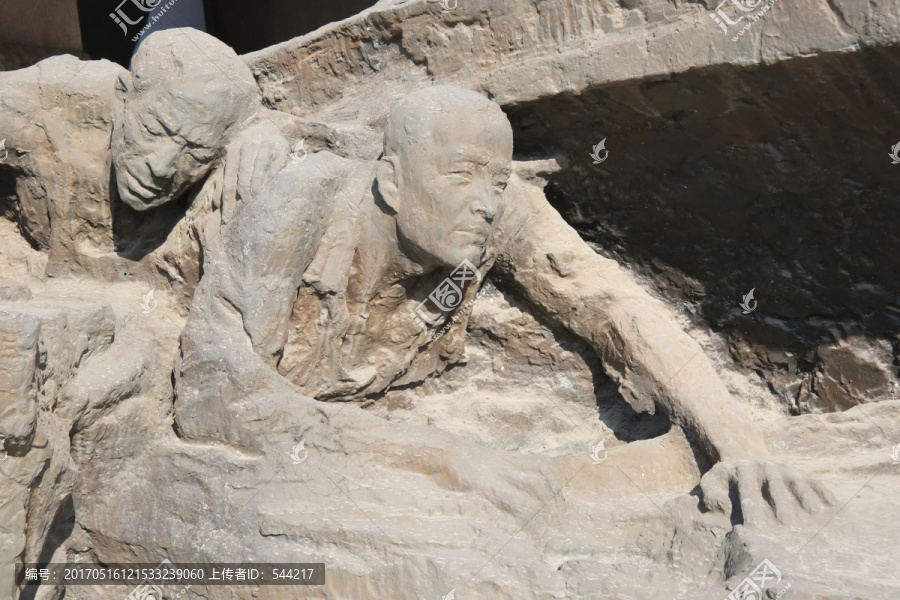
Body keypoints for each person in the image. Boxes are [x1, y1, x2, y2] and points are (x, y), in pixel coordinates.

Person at [175, 85, 835, 527]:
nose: (485, 200)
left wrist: (738, 442)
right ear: (393, 179)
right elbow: (216, 394)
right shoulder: (297, 208)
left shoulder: (497, 213)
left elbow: (611, 303)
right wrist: (445, 459)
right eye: (460, 176)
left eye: (496, 180)